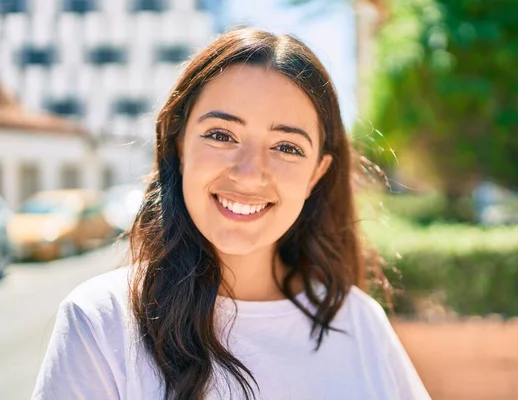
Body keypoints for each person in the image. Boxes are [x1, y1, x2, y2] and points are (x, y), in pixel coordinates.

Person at [32, 28, 430, 400]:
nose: (249, 172)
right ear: (179, 146)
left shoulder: (359, 321)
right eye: (221, 136)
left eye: (287, 147)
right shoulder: (101, 322)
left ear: (316, 174)